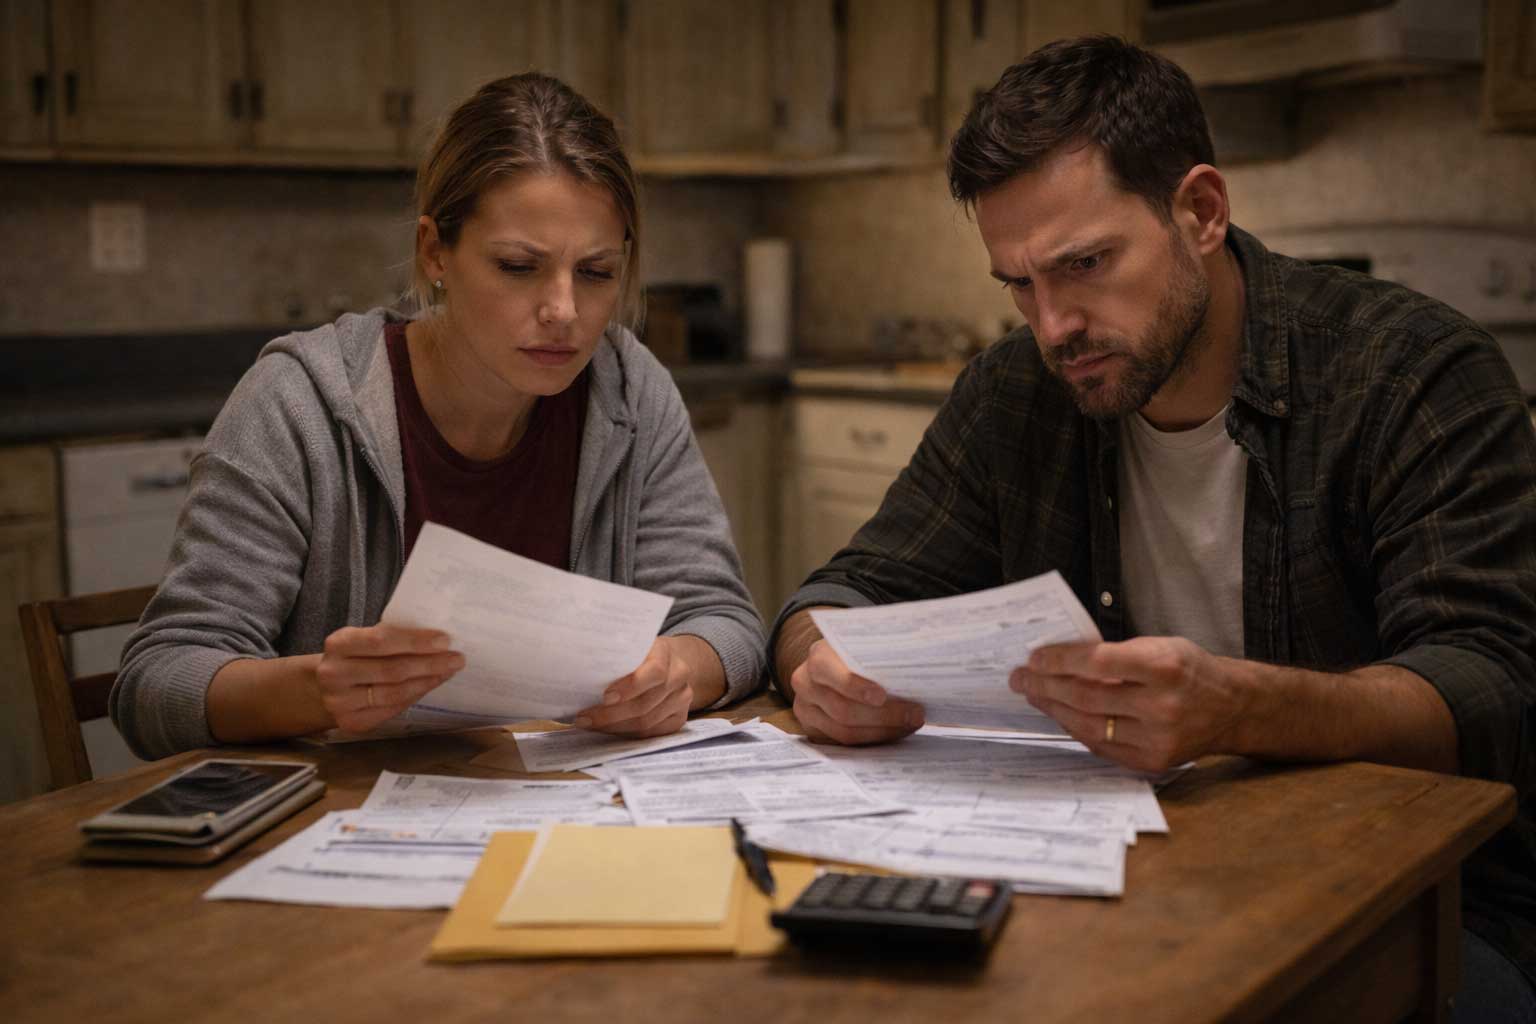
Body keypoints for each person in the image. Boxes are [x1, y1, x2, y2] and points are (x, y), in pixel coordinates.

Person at [770, 37, 1536, 1018]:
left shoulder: (1414, 375)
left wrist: (1237, 707)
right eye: (1017, 283)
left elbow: (1487, 696)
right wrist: (818, 664)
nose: (1053, 326)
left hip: (1432, 905)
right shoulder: (1016, 393)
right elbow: (842, 588)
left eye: (1085, 264)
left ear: (1202, 212)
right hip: (1126, 876)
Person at [114, 73, 765, 758]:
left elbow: (725, 623)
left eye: (598, 272)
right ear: (435, 253)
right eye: (519, 266)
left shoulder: (631, 392)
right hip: (348, 829)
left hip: (567, 814)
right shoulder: (299, 403)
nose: (565, 312)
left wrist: (678, 672)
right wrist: (317, 691)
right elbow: (157, 683)